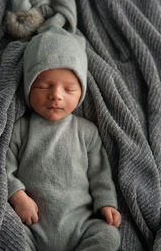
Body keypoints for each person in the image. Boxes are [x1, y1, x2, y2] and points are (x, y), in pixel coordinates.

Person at [6, 23, 121, 250]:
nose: (56, 96)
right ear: (28, 87)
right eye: (44, 86)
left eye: (68, 89)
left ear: (81, 92)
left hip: (80, 226)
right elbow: (3, 168)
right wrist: (18, 196)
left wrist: (106, 203)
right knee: (6, 233)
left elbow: (100, 174)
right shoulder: (21, 128)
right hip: (31, 227)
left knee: (109, 236)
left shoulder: (87, 131)